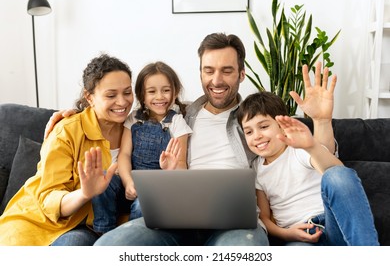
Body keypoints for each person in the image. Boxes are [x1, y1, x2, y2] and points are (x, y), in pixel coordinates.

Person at [45, 33, 336, 246]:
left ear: (242, 74)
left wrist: (321, 120)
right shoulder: (182, 114)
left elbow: (319, 155)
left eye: (227, 70)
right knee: (109, 248)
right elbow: (123, 110)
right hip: (177, 217)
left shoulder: (257, 118)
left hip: (235, 223)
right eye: (209, 70)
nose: (217, 80)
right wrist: (75, 111)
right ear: (200, 73)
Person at [0, 54, 134, 245]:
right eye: (111, 95)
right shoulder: (66, 130)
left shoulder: (136, 128)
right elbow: (48, 198)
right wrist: (85, 194)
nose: (122, 102)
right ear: (89, 97)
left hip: (89, 225)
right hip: (39, 222)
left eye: (127, 92)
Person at [236, 91, 379, 246]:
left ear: (283, 126)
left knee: (336, 174)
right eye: (249, 131)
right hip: (301, 237)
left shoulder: (298, 149)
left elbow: (337, 173)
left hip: (335, 225)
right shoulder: (256, 168)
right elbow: (263, 218)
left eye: (263, 126)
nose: (256, 136)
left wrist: (311, 146)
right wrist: (286, 234)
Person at [92, 61, 192, 233]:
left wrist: (171, 170)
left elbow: (182, 164)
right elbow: (124, 155)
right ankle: (103, 232)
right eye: (152, 91)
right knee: (102, 180)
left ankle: (132, 238)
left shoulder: (177, 123)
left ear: (175, 92)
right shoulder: (133, 118)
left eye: (166, 90)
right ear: (141, 95)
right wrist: (128, 182)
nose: (159, 97)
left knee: (142, 205)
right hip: (130, 183)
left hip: (156, 189)